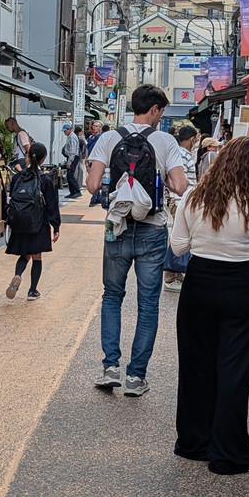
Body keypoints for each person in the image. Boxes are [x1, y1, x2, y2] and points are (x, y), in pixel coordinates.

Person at [168, 136, 249, 474]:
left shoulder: (193, 196)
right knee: (234, 370)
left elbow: (177, 248)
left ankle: (193, 442)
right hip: (241, 289)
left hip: (199, 285)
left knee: (196, 364)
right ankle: (229, 453)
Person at [87, 85, 189, 396]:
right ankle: (135, 377)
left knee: (112, 296)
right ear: (155, 109)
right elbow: (182, 186)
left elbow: (91, 186)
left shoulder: (108, 138)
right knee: (147, 305)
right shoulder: (164, 141)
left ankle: (110, 368)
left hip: (117, 227)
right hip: (152, 229)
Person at [4, 143, 61, 301]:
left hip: (19, 222)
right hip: (38, 223)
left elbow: (9, 200)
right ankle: (32, 291)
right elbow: (52, 205)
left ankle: (17, 275)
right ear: (43, 159)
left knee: (24, 254)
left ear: (27, 157)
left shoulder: (17, 177)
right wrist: (56, 226)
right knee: (36, 256)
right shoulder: (45, 179)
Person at [163, 126, 201, 292]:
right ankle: (171, 275)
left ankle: (176, 274)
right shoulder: (183, 155)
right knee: (180, 236)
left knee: (180, 235)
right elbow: (181, 182)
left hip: (180, 199)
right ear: (191, 138)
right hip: (181, 199)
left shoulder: (178, 153)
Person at [61, 122, 83, 199]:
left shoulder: (72, 137)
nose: (64, 132)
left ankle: (77, 191)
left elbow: (73, 151)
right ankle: (72, 192)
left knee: (70, 175)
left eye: (65, 130)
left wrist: (70, 161)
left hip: (73, 158)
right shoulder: (70, 136)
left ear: (69, 129)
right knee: (69, 175)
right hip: (71, 157)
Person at [86, 120, 105, 206]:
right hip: (90, 159)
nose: (95, 127)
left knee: (95, 179)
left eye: (97, 126)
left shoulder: (101, 138)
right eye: (94, 126)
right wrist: (86, 160)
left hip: (97, 161)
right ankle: (97, 197)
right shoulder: (90, 137)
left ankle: (94, 199)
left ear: (100, 128)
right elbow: (87, 149)